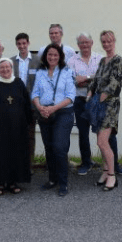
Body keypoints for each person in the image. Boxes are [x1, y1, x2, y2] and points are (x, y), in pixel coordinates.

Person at [32, 44, 76, 197]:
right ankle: (52, 179)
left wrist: (53, 108)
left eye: (55, 55)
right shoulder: (40, 73)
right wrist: (40, 107)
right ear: (45, 56)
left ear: (60, 57)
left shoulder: (67, 72)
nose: (52, 57)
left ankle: (63, 183)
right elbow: (35, 94)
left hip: (63, 113)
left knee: (59, 147)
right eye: (49, 55)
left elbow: (71, 96)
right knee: (49, 147)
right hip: (44, 113)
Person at [0, 58, 32, 195]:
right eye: (2, 67)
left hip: (18, 128)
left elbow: (26, 103)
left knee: (15, 154)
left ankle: (12, 182)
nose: (5, 70)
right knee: (0, 155)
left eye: (7, 67)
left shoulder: (19, 83)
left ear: (12, 68)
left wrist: (29, 122)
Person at [87, 31, 122, 192]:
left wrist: (100, 98)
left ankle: (112, 175)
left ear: (114, 41)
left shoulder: (118, 60)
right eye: (103, 42)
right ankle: (104, 172)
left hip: (109, 105)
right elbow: (96, 80)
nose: (106, 44)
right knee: (100, 142)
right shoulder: (102, 61)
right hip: (97, 103)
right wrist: (90, 94)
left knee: (102, 142)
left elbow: (114, 83)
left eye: (109, 41)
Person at [67, 32, 102, 176]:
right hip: (80, 100)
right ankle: (86, 162)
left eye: (86, 42)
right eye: (81, 43)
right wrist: (90, 79)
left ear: (92, 43)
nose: (84, 45)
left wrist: (86, 78)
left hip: (97, 100)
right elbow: (71, 81)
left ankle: (112, 163)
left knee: (103, 131)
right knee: (83, 133)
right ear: (78, 45)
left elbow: (102, 78)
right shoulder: (72, 61)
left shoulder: (100, 58)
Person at [10, 32, 41, 164]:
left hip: (31, 105)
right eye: (19, 44)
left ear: (28, 43)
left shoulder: (37, 60)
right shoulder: (11, 61)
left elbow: (40, 83)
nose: (22, 46)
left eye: (24, 43)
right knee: (15, 135)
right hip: (15, 105)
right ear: (16, 45)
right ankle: (17, 163)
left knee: (29, 136)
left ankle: (29, 164)